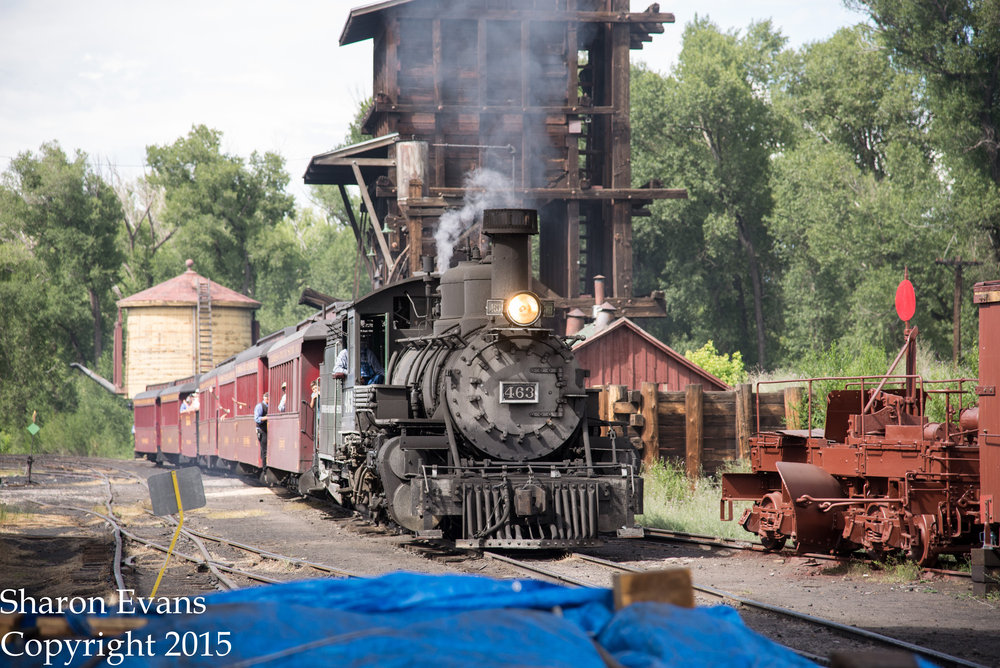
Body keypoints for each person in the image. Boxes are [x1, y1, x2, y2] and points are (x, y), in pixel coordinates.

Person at [254, 392, 269, 466]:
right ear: (266, 399)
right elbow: (256, 418)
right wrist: (266, 418)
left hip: (267, 429)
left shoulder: (269, 406)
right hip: (261, 429)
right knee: (264, 448)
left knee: (266, 448)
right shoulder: (260, 406)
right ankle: (264, 467)